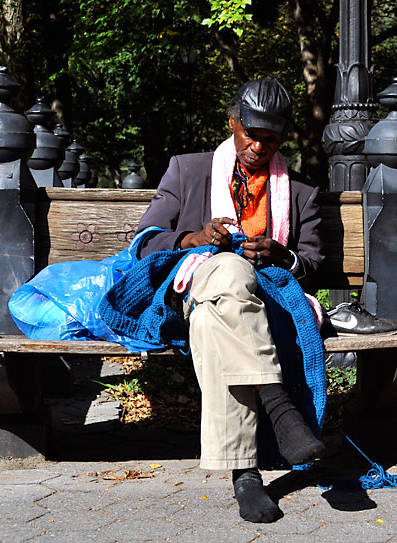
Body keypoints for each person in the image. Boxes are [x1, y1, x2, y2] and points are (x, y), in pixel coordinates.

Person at [134, 76, 324, 523]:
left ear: (283, 138)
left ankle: (245, 475)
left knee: (215, 319)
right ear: (234, 122)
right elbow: (145, 244)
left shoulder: (301, 192)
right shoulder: (188, 169)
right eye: (251, 135)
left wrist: (282, 254)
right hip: (189, 289)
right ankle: (280, 408)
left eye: (270, 140)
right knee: (230, 268)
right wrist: (194, 238)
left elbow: (314, 262)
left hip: (256, 304)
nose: (258, 147)